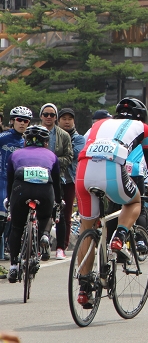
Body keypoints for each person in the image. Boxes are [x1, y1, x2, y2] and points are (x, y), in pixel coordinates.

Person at [75, 98, 148, 307]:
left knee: (86, 228)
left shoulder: (98, 124)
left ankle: (84, 289)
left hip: (83, 171)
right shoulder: (143, 127)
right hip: (112, 170)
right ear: (142, 116)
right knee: (134, 202)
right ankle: (120, 236)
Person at [5, 126, 62, 284]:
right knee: (45, 215)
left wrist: (9, 199)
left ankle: (14, 266)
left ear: (25, 141)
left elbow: (10, 181)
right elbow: (56, 183)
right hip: (45, 189)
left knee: (17, 227)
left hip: (20, 188)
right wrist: (59, 200)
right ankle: (44, 234)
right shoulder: (52, 155)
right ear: (45, 143)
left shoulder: (15, 154)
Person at [38, 103, 72, 261]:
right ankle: (38, 246)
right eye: (46, 114)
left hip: (57, 177)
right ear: (41, 116)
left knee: (59, 212)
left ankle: (60, 247)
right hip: (36, 176)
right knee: (38, 212)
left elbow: (69, 157)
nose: (49, 117)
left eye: (52, 115)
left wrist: (51, 161)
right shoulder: (33, 131)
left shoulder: (63, 135)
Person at [0, 107, 33, 269]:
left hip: (18, 183)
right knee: (1, 218)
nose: (22, 123)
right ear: (12, 121)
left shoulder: (27, 141)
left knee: (14, 220)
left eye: (26, 121)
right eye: (19, 120)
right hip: (2, 181)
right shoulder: (3, 138)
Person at [55, 108, 85, 260]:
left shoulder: (79, 139)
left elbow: (75, 156)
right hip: (53, 178)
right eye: (63, 118)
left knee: (66, 213)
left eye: (70, 119)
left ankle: (63, 245)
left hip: (70, 179)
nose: (67, 121)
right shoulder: (52, 135)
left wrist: (56, 154)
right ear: (58, 120)